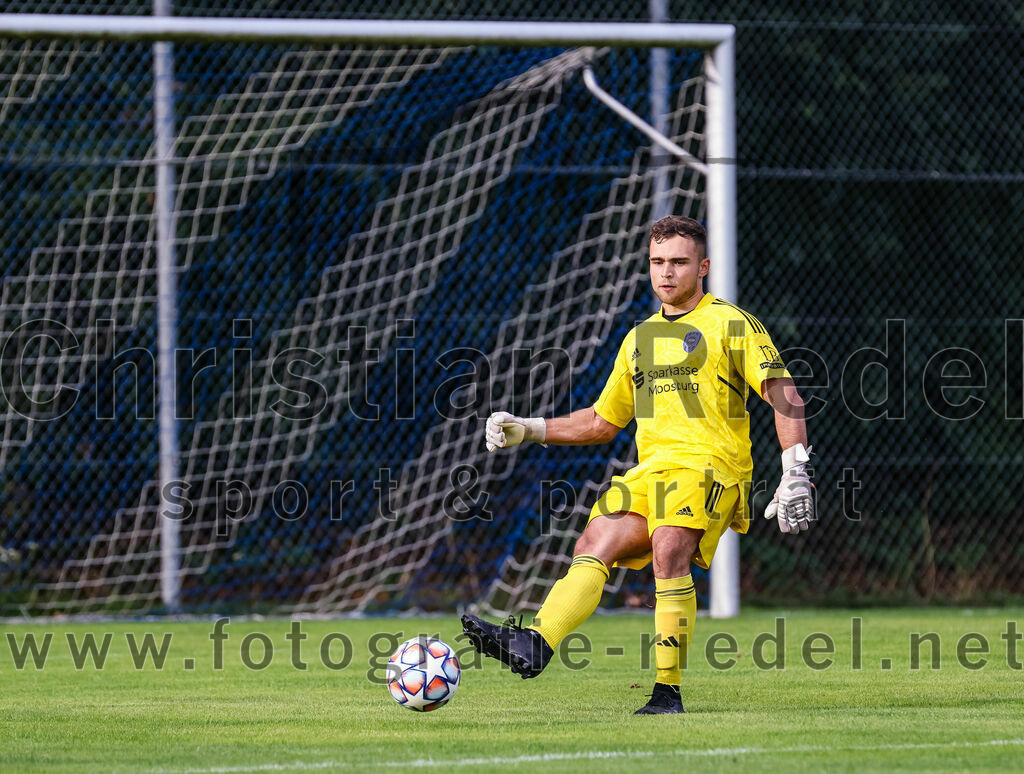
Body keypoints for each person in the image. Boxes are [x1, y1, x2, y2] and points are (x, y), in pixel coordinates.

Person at [461, 215, 815, 714]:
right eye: (657, 262)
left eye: (678, 262)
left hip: (711, 468)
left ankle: (666, 693)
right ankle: (536, 643)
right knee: (596, 539)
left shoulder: (731, 324)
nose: (666, 273)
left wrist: (795, 469)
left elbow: (785, 396)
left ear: (704, 266)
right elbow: (603, 421)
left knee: (668, 544)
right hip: (653, 471)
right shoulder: (638, 340)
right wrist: (531, 428)